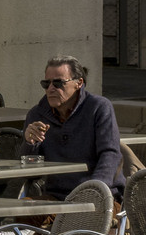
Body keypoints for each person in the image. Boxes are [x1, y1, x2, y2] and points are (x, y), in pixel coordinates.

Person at [22, 56, 124, 198]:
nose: (51, 88)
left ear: (78, 83)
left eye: (58, 83)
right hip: (56, 196)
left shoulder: (98, 107)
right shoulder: (37, 114)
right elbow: (30, 172)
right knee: (24, 213)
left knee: (85, 219)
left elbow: (110, 155)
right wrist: (30, 143)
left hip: (101, 195)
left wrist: (94, 190)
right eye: (46, 83)